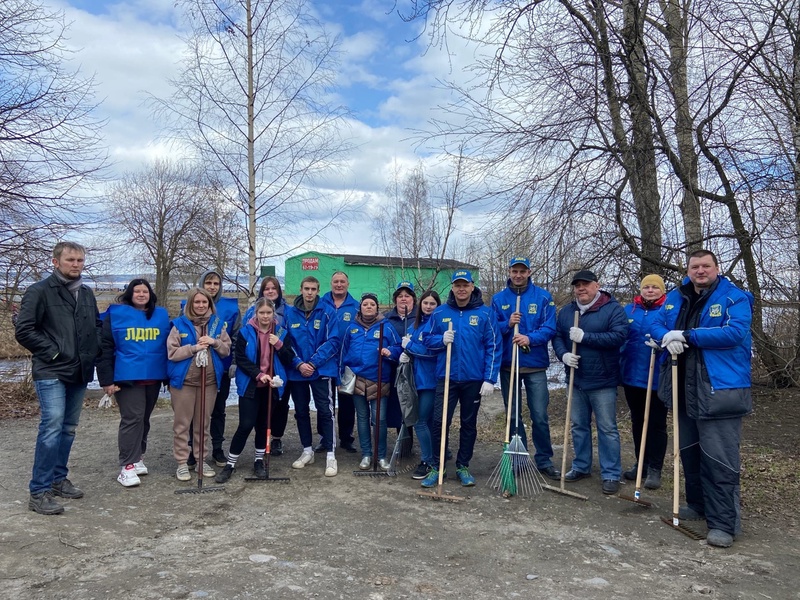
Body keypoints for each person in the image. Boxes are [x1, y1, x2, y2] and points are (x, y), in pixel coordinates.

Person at [651, 250, 752, 548]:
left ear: (716, 268)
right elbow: (657, 323)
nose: (700, 271)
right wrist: (666, 336)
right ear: (688, 269)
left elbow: (734, 333)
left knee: (719, 458)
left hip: (719, 389)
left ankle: (724, 523)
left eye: (706, 266)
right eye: (695, 266)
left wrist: (687, 336)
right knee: (691, 451)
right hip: (684, 388)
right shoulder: (676, 296)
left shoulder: (734, 298)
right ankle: (698, 505)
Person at [15, 241, 101, 515]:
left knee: (68, 428)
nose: (76, 264)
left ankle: (57, 479)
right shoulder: (39, 291)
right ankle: (38, 491)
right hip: (51, 369)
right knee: (51, 426)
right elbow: (25, 330)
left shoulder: (86, 293)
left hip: (79, 370)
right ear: (55, 262)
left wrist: (92, 351)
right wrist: (54, 353)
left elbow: (96, 327)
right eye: (70, 260)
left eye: (80, 260)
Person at [421, 270, 501, 487]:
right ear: (453, 288)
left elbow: (494, 346)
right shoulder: (439, 313)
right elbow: (426, 339)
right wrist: (441, 339)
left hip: (473, 379)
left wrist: (489, 378)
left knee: (468, 423)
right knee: (439, 422)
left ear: (472, 286)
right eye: (457, 285)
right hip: (446, 378)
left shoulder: (485, 314)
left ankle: (463, 465)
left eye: (465, 285)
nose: (461, 289)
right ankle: (438, 467)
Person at [552, 270, 628, 495]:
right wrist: (563, 355)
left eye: (585, 284)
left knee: (607, 429)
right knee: (578, 426)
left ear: (597, 285)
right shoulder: (567, 311)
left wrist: (586, 337)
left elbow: (619, 336)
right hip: (576, 380)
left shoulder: (612, 309)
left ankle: (611, 473)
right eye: (577, 285)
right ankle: (581, 466)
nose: (581, 289)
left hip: (603, 380)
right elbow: (557, 336)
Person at [491, 257, 560, 481]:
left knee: (539, 415)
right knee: (513, 416)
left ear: (529, 272)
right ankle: (518, 457)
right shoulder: (499, 299)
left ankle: (544, 459)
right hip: (509, 365)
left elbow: (550, 328)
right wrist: (507, 324)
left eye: (522, 271)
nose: (518, 275)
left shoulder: (542, 297)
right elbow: (491, 329)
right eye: (514, 271)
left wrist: (529, 338)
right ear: (509, 271)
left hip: (535, 365)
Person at [96, 279, 170, 487]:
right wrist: (106, 380)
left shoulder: (161, 315)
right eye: (136, 291)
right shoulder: (116, 316)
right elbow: (105, 349)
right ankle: (126, 465)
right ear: (129, 294)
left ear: (150, 294)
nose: (140, 294)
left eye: (144, 291)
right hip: (127, 379)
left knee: (144, 419)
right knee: (132, 418)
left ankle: (138, 457)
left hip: (153, 378)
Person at [215, 298, 293, 483]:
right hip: (251, 385)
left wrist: (279, 345)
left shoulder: (281, 333)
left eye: (268, 313)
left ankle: (259, 460)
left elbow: (289, 358)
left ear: (273, 314)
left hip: (271, 387)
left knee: (263, 426)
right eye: (262, 313)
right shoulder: (245, 332)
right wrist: (259, 374)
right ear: (256, 313)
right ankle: (230, 463)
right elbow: (240, 358)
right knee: (246, 424)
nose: (265, 316)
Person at [168, 288, 232, 481]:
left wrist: (214, 342)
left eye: (204, 302)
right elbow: (172, 353)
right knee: (182, 424)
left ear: (209, 304)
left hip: (209, 383)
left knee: (203, 424)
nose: (201, 306)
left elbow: (226, 350)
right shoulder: (179, 325)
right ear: (190, 304)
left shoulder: (218, 325)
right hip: (185, 383)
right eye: (197, 302)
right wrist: (194, 348)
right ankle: (181, 463)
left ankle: (201, 460)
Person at [284, 276, 342, 477]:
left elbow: (333, 341)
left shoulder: (327, 312)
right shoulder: (289, 314)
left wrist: (313, 363)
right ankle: (307, 450)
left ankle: (330, 454)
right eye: (306, 288)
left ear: (318, 290)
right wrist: (299, 363)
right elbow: (285, 343)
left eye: (313, 289)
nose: (309, 292)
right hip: (297, 371)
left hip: (321, 370)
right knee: (300, 411)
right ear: (301, 289)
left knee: (325, 411)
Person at [185, 270, 240, 469]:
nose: (212, 286)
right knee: (194, 411)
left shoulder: (230, 307)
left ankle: (217, 448)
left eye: (216, 283)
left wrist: (234, 362)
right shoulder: (189, 304)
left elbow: (235, 338)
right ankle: (193, 450)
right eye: (208, 282)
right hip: (195, 369)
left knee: (218, 410)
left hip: (220, 368)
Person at [341, 293, 401, 469]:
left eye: (372, 304)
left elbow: (398, 347)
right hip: (357, 379)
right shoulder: (351, 328)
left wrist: (389, 351)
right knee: (362, 417)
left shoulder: (386, 327)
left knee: (379, 419)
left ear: (377, 308)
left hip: (379, 378)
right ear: (360, 307)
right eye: (365, 304)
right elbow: (343, 352)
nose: (368, 307)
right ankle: (366, 454)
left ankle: (380, 455)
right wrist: (340, 375)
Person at [620, 274, 668, 490]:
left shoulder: (668, 310)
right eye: (646, 287)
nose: (650, 290)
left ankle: (655, 468)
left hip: (657, 376)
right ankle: (642, 463)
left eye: (654, 288)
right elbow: (620, 336)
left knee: (656, 423)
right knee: (638, 421)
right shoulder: (629, 311)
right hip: (632, 375)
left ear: (662, 291)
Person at [244, 276, 291, 456]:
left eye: (274, 288)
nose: (270, 291)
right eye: (266, 288)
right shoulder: (251, 312)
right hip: (259, 368)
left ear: (279, 291)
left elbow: (290, 340)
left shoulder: (288, 311)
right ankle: (262, 439)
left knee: (280, 404)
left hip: (280, 365)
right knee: (261, 406)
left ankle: (277, 437)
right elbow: (244, 336)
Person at [399, 289, 441, 479]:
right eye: (426, 303)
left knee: (420, 421)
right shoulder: (414, 326)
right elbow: (412, 349)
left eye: (433, 304)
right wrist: (404, 353)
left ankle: (427, 461)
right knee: (427, 422)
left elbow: (431, 352)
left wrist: (410, 347)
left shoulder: (438, 325)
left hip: (430, 380)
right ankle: (435, 455)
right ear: (420, 305)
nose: (429, 307)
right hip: (415, 379)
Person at [319, 271, 360, 453]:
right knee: (324, 402)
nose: (339, 285)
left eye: (342, 281)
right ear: (331, 283)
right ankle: (325, 437)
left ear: (348, 284)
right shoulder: (321, 304)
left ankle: (346, 438)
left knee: (346, 402)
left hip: (347, 362)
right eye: (335, 281)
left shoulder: (355, 307)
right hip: (325, 361)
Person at [384, 281, 419, 451]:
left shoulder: (421, 317)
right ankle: (404, 444)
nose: (403, 299)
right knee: (400, 404)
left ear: (413, 299)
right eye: (400, 296)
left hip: (417, 367)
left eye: (407, 296)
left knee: (418, 404)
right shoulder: (387, 319)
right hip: (395, 368)